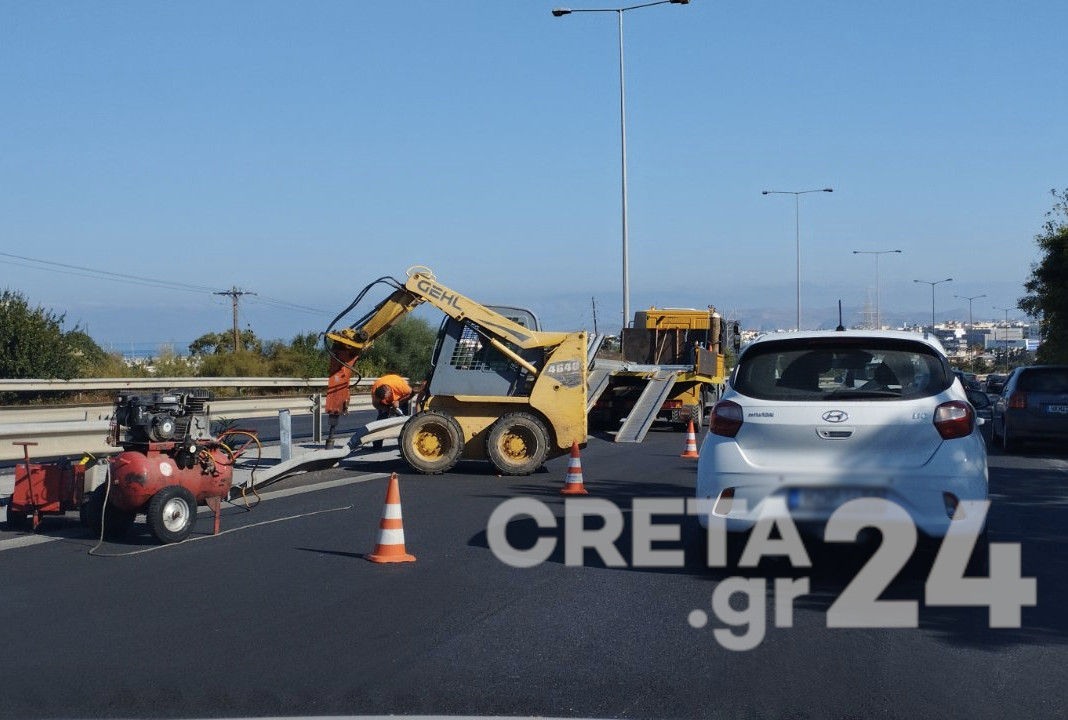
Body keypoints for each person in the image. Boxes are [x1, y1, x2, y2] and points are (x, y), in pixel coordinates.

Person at [370, 374, 413, 449]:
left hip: (401, 398)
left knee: (403, 422)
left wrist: (399, 402)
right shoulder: (375, 390)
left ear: (389, 392)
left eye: (386, 398)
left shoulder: (399, 386)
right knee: (381, 421)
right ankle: (377, 445)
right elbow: (376, 405)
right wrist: (387, 409)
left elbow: (412, 393)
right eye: (383, 399)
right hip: (386, 404)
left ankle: (405, 445)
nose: (385, 400)